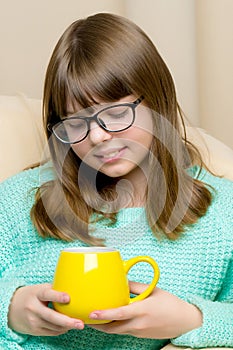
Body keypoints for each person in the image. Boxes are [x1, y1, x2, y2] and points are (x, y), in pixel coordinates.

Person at [0, 12, 232, 350]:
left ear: (157, 101)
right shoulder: (19, 201)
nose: (97, 136)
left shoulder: (222, 213)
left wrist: (192, 320)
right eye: (76, 123)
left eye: (117, 114)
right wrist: (10, 309)